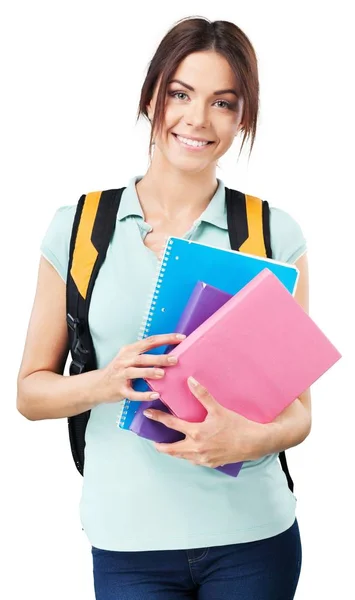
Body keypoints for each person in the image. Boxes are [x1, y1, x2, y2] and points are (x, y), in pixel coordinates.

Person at [16, 16, 311, 600]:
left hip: (253, 538)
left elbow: (299, 413)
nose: (198, 120)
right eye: (180, 94)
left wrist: (247, 441)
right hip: (128, 543)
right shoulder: (79, 228)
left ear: (242, 117)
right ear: (152, 96)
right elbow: (30, 393)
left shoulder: (270, 233)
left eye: (222, 103)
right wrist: (107, 382)